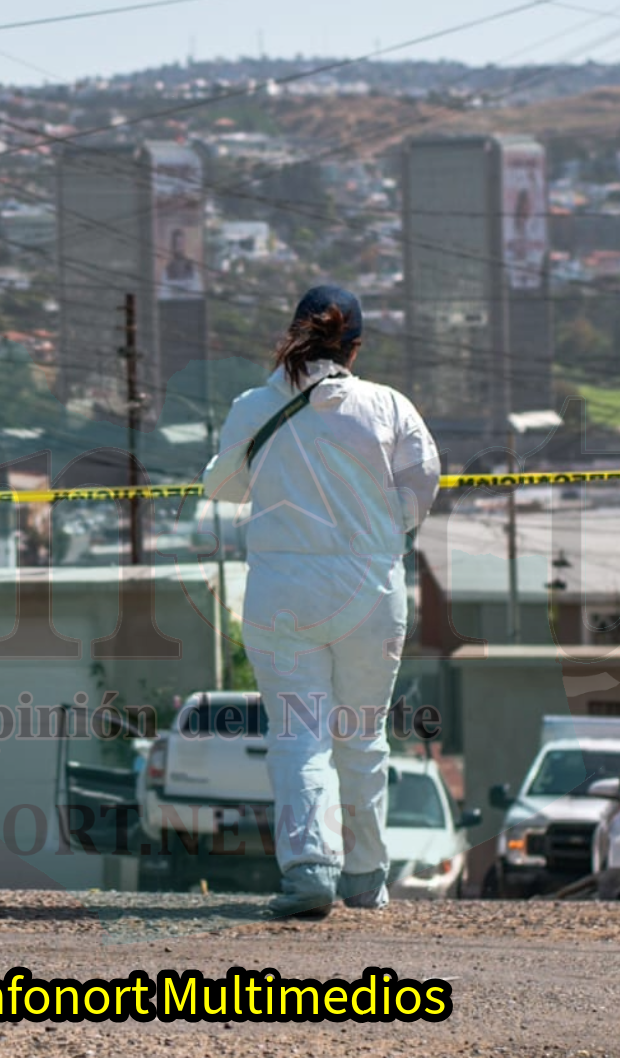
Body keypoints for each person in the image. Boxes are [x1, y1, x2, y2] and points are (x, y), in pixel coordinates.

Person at [201, 285, 440, 920]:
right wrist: (386, 524)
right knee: (361, 736)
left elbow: (222, 486)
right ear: (354, 347)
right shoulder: (388, 406)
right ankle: (366, 878)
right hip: (372, 590)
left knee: (299, 735)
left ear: (292, 336)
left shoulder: (255, 406)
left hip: (283, 594)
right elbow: (424, 482)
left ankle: (309, 868)